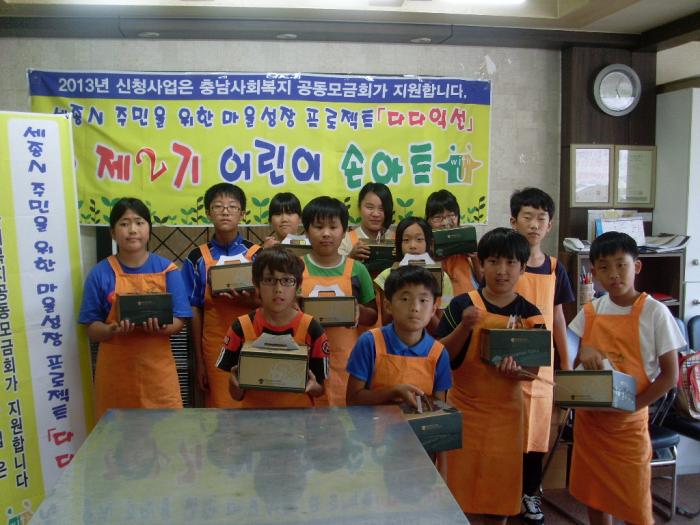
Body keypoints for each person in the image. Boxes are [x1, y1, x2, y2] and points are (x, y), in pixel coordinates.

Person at [568, 231, 684, 525]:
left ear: (637, 266)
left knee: (635, 504)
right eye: (604, 267)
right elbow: (571, 362)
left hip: (628, 426)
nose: (614, 274)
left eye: (621, 264)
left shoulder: (655, 313)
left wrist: (635, 405)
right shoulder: (590, 311)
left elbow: (670, 375)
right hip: (591, 424)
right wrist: (584, 352)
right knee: (594, 497)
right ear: (594, 273)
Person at [435, 227, 545, 523]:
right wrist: (464, 327)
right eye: (494, 261)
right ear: (481, 265)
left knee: (499, 498)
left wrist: (516, 372)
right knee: (458, 496)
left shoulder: (531, 315)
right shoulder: (462, 305)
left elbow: (532, 371)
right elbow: (439, 356)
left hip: (506, 418)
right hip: (464, 413)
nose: (502, 270)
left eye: (510, 263)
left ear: (523, 268)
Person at [79, 197, 191, 421]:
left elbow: (180, 320)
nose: (132, 230)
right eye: (124, 223)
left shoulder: (168, 270)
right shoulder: (99, 273)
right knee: (116, 435)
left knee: (165, 431)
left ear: (149, 229)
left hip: (157, 376)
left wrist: (162, 328)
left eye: (139, 222)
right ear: (113, 232)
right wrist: (111, 330)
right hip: (116, 376)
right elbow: (90, 327)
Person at [346, 264, 452, 477]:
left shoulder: (439, 353)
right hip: (372, 447)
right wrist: (393, 392)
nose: (414, 307)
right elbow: (353, 399)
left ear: (434, 309)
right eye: (405, 299)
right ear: (387, 305)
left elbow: (438, 414)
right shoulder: (370, 342)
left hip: (420, 451)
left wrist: (442, 465)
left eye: (423, 300)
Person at [509, 187, 575, 524]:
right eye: (527, 217)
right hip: (507, 360)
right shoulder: (506, 265)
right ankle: (505, 492)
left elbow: (558, 316)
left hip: (542, 365)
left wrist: (567, 361)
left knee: (536, 432)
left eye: (541, 218)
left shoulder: (554, 268)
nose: (534, 224)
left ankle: (530, 493)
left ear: (549, 225)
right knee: (507, 430)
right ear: (514, 221)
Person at [216, 246, 328, 408]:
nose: (278, 289)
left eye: (287, 280)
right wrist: (235, 384)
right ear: (256, 284)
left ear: (298, 285)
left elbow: (320, 390)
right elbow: (236, 396)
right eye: (269, 280)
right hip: (252, 418)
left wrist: (312, 386)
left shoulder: (312, 329)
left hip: (300, 419)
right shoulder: (240, 327)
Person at [181, 183, 258, 408]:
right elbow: (194, 309)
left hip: (253, 342)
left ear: (242, 214)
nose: (225, 212)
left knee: (256, 408)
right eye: (218, 206)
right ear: (208, 213)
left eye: (232, 206)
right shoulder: (196, 258)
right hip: (215, 347)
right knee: (220, 409)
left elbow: (270, 302)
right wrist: (200, 361)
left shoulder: (258, 255)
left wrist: (247, 300)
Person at [299, 196, 378, 406]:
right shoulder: (295, 269)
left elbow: (373, 316)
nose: (326, 233)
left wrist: (357, 310)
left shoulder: (358, 270)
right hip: (306, 362)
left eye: (333, 227)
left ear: (344, 232)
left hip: (348, 362)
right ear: (306, 231)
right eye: (318, 227)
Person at [373, 217, 453, 332]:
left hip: (430, 340)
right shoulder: (387, 275)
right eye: (406, 240)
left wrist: (425, 303)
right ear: (399, 245)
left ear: (430, 244)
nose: (413, 246)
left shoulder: (442, 277)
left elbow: (440, 327)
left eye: (419, 239)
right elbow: (387, 321)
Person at [425, 189, 480, 296]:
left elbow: (483, 282)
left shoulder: (468, 242)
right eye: (438, 217)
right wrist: (432, 257)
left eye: (451, 215)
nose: (445, 223)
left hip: (469, 301)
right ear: (428, 220)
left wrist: (475, 258)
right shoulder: (423, 246)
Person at [340, 182, 394, 260]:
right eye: (370, 207)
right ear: (359, 207)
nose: (375, 214)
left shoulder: (398, 240)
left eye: (382, 208)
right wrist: (351, 257)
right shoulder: (344, 240)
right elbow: (335, 266)